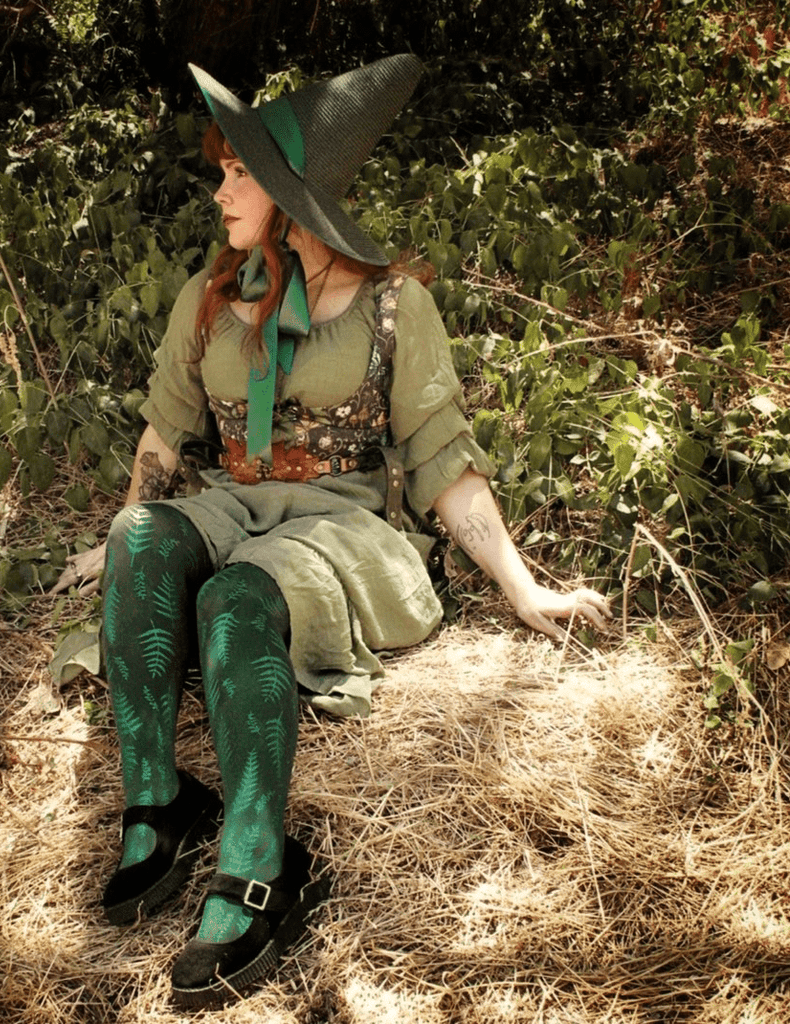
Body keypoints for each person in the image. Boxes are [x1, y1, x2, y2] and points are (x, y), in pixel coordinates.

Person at [52, 54, 611, 1007]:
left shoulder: (395, 306)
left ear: (290, 196)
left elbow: (443, 457)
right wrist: (118, 538)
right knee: (144, 539)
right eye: (224, 170)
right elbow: (165, 435)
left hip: (343, 525)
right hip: (234, 503)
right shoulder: (209, 296)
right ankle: (159, 803)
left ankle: (261, 864)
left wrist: (522, 587)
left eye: (240, 173)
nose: (222, 190)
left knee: (237, 600)